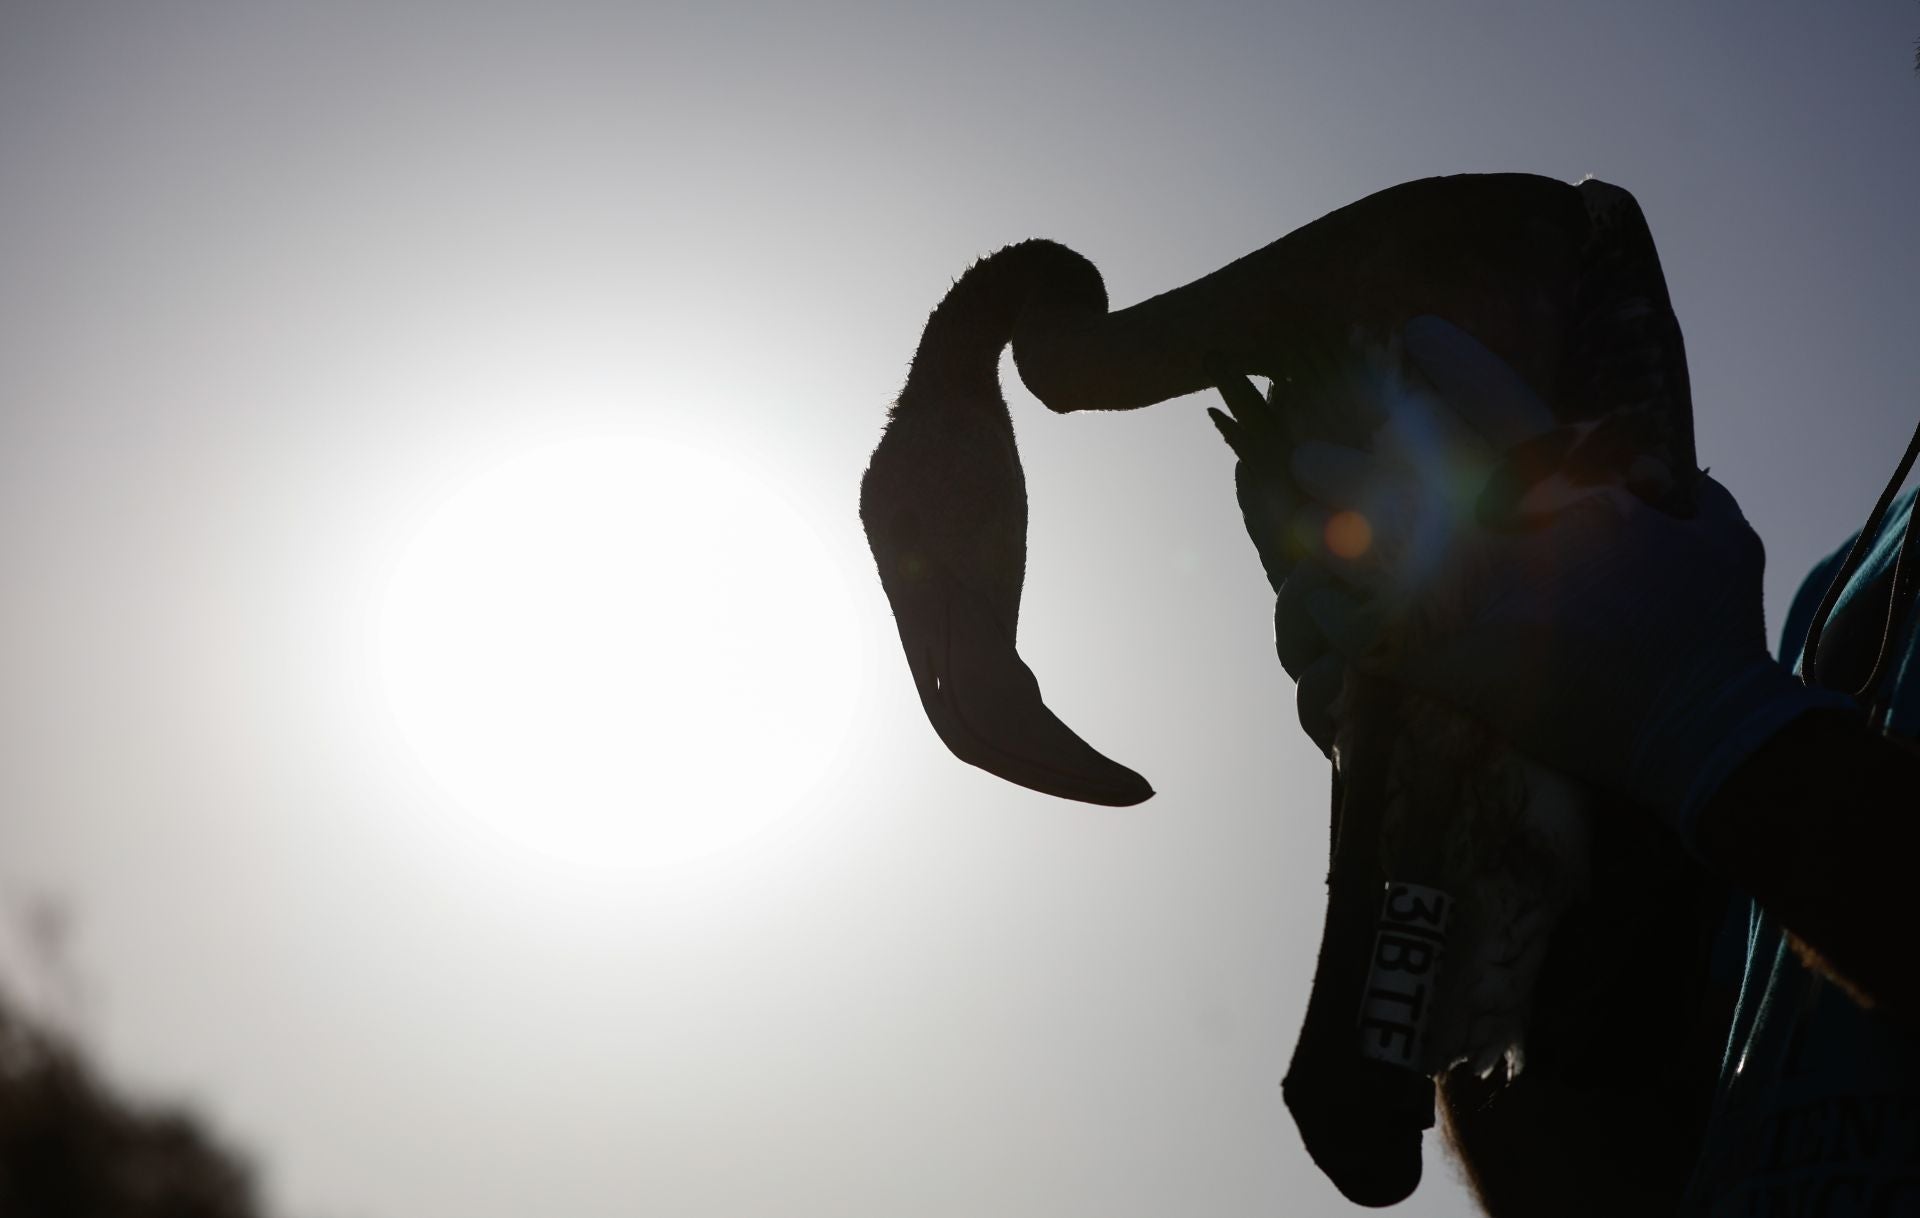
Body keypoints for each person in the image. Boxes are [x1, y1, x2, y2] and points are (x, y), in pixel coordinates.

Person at [1211, 316, 1920, 1215]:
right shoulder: (1848, 598)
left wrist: (1709, 715)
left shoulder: (1779, 670)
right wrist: (1465, 812)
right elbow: (1622, 1173)